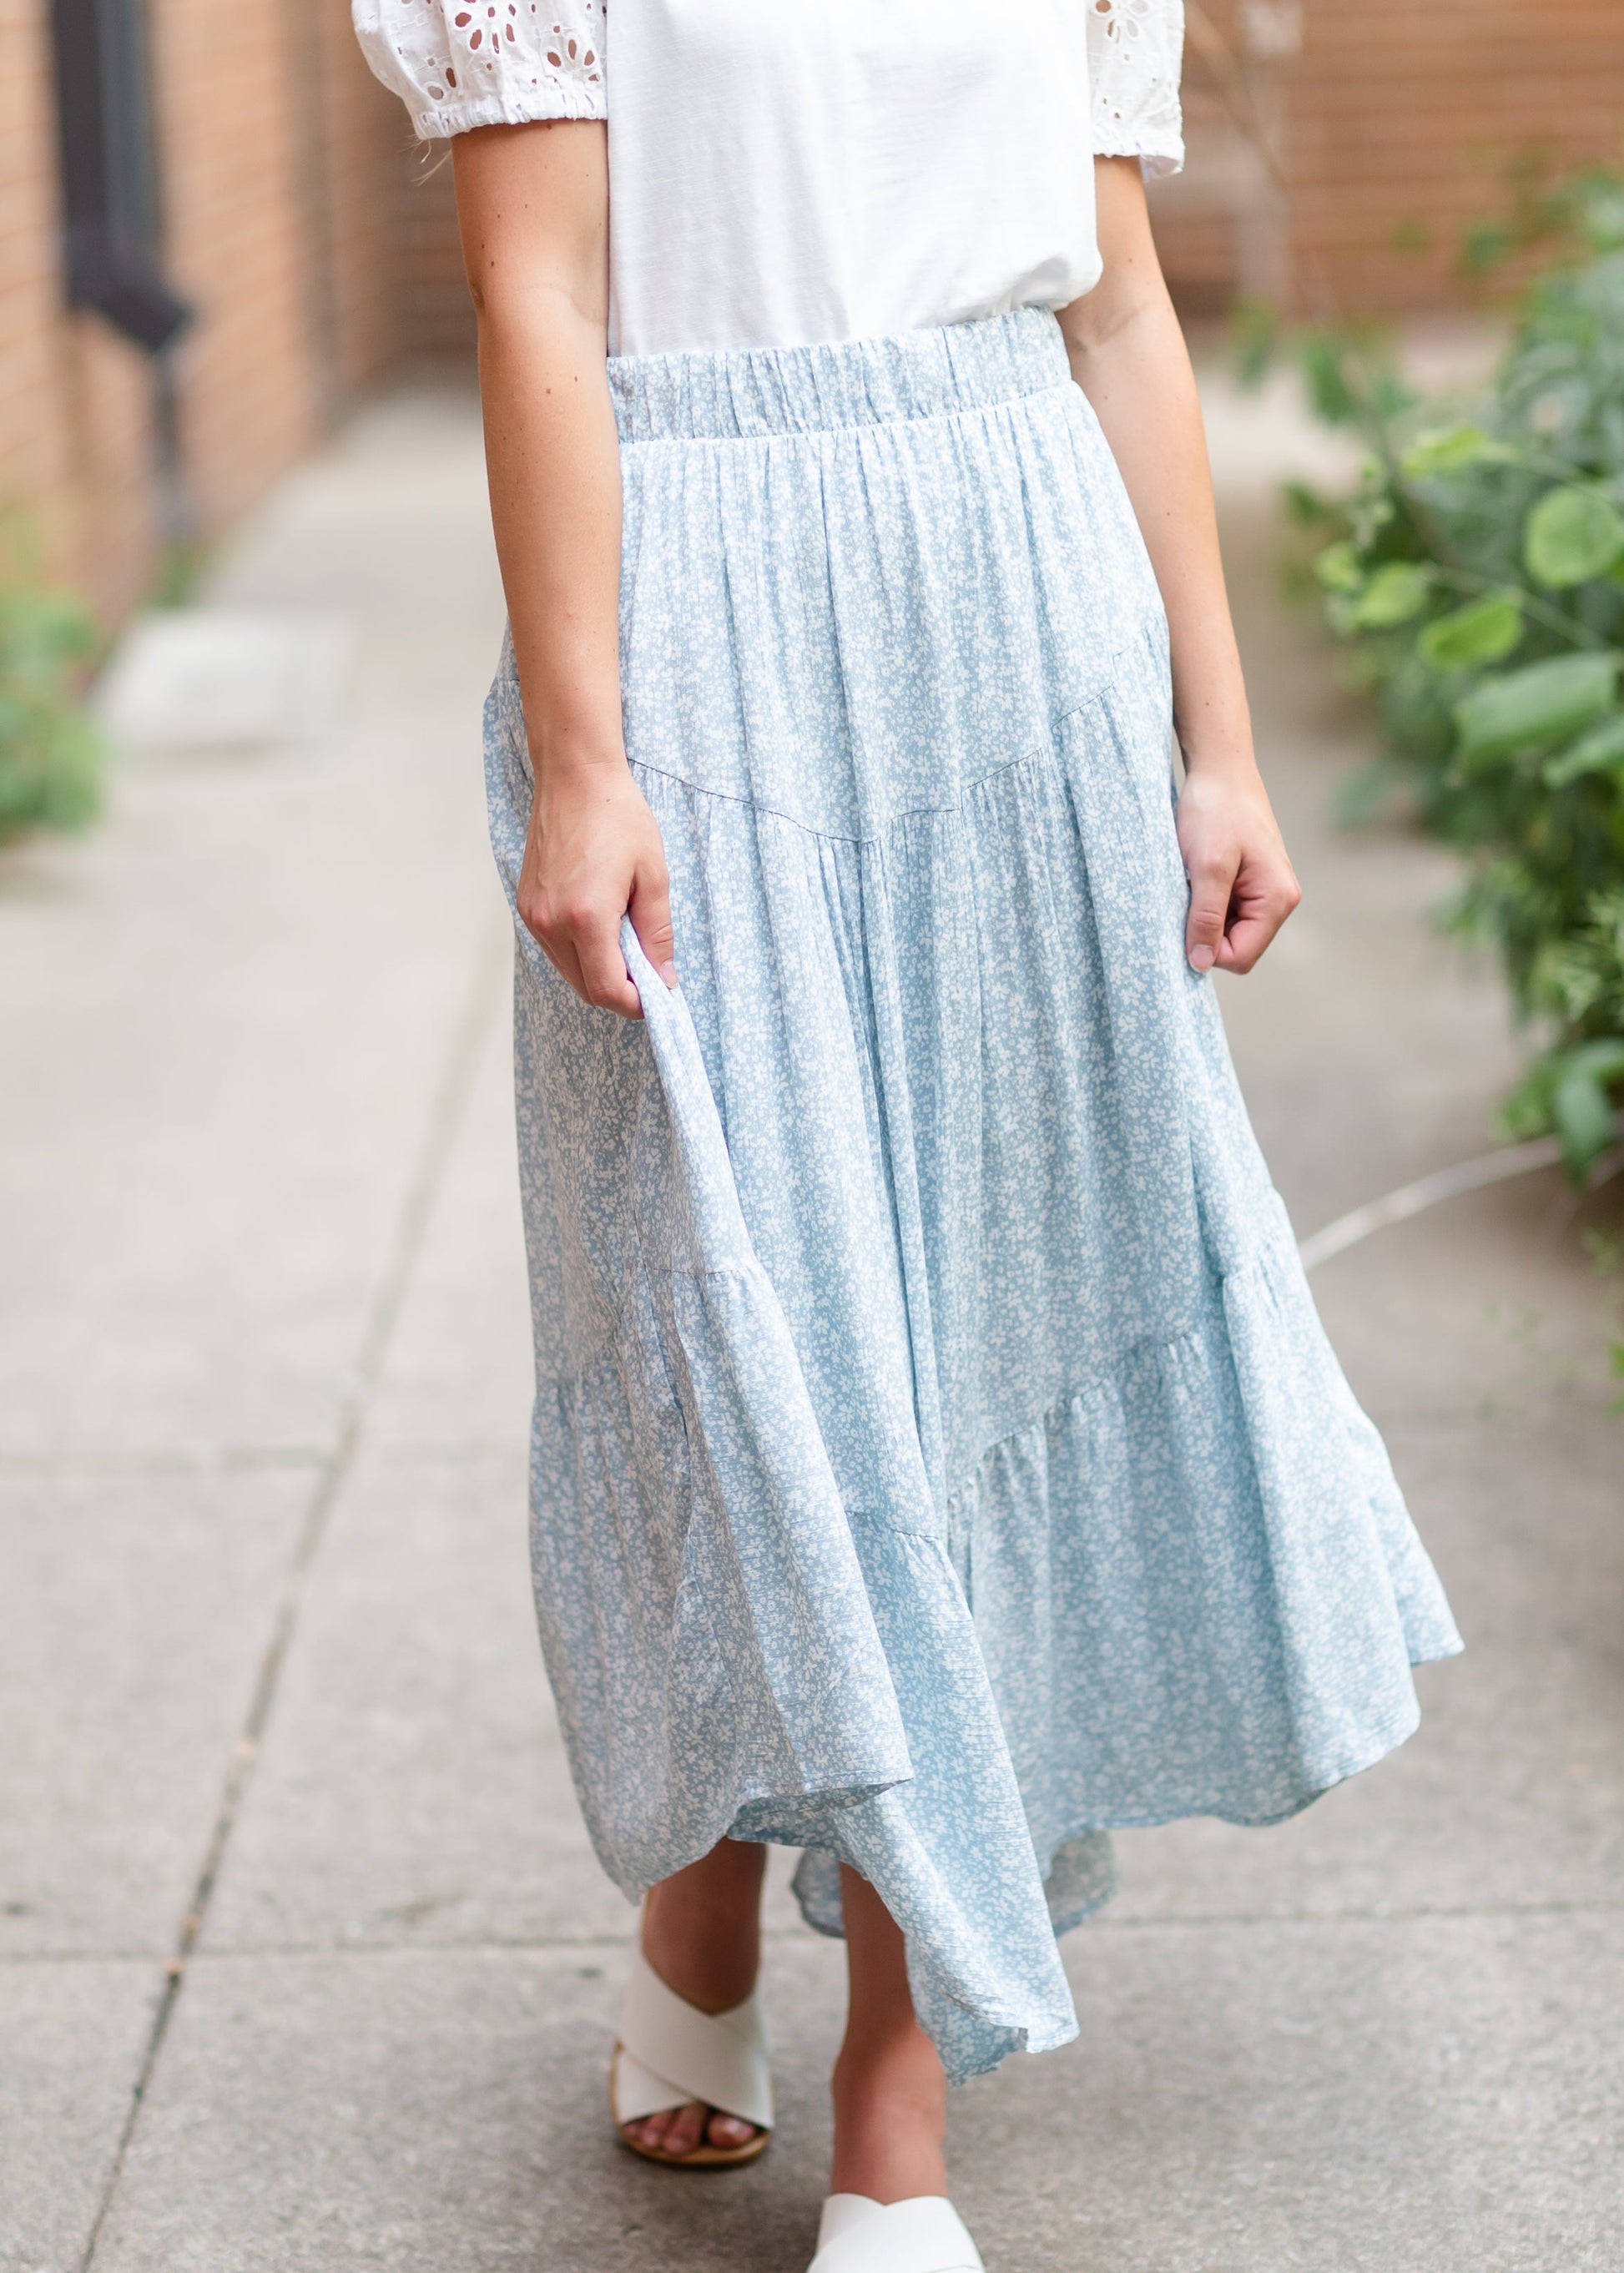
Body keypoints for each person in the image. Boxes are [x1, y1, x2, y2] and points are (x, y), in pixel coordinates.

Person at [353, 5, 1462, 2266]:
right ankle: (697, 1913)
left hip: (1015, 592)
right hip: (703, 613)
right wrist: (585, 752)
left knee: (961, 1333)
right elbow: (537, 291)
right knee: (745, 1318)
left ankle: (893, 2088)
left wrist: (1217, 738)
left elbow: (1118, 300)